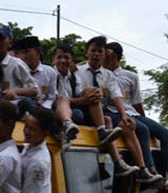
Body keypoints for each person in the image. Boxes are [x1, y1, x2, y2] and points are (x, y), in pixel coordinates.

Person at [103, 42, 168, 193]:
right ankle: (150, 170)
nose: (104, 56)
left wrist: (144, 117)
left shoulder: (131, 76)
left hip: (131, 112)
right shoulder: (102, 74)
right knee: (142, 130)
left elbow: (136, 101)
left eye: (107, 53)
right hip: (112, 111)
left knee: (166, 134)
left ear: (115, 56)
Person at [76, 37, 163, 184]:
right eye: (93, 51)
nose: (96, 54)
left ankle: (142, 169)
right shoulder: (78, 71)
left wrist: (124, 116)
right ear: (86, 53)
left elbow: (117, 96)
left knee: (127, 126)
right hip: (82, 109)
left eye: (100, 51)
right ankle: (115, 161)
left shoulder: (108, 75)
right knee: (105, 117)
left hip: (101, 113)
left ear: (104, 54)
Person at [53, 44, 141, 178]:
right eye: (59, 58)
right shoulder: (51, 73)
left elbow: (80, 94)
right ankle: (67, 125)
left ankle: (114, 159)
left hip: (78, 110)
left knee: (107, 119)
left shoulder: (74, 77)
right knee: (68, 101)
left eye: (66, 58)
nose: (63, 61)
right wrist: (84, 100)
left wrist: (90, 94)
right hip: (58, 111)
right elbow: (55, 99)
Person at [15, 36, 56, 110]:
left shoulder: (50, 72)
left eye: (27, 51)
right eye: (22, 52)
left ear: (38, 51)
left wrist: (43, 109)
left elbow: (51, 97)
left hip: (43, 110)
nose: (24, 56)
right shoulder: (15, 71)